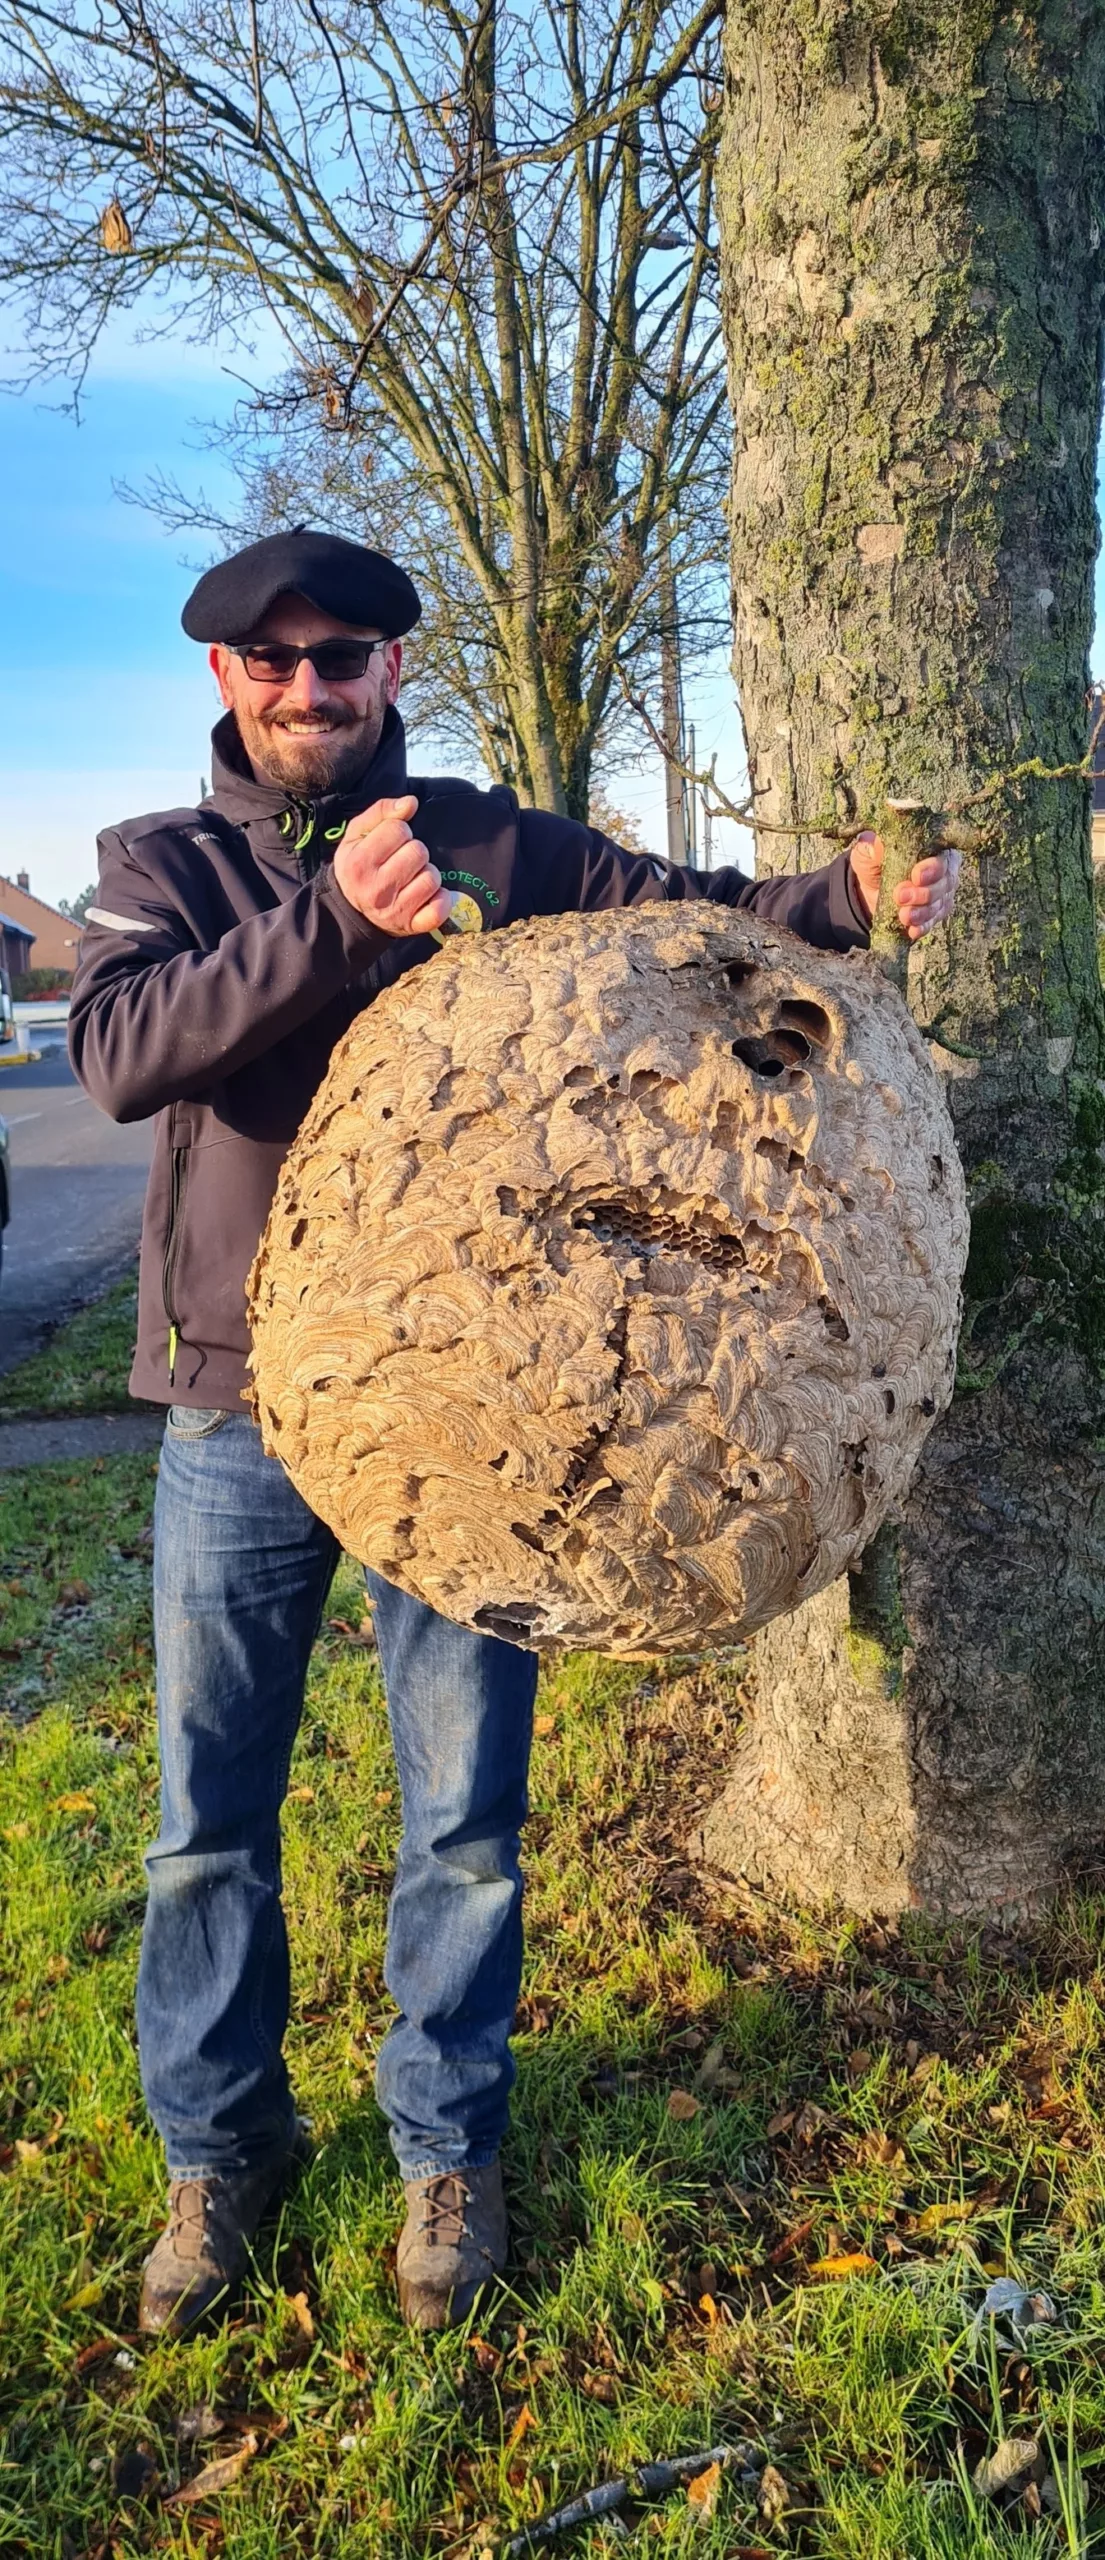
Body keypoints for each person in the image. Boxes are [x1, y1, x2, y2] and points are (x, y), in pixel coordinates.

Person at [69, 527, 960, 2337]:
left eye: (346, 657)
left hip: (489, 1447)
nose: (310, 687)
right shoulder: (158, 863)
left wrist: (846, 901)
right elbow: (119, 1053)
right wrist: (336, 926)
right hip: (235, 1415)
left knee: (464, 1819)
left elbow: (691, 918)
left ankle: (442, 2152)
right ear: (225, 683)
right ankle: (215, 2156)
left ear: (397, 671)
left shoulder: (501, 843)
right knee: (203, 1825)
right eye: (274, 661)